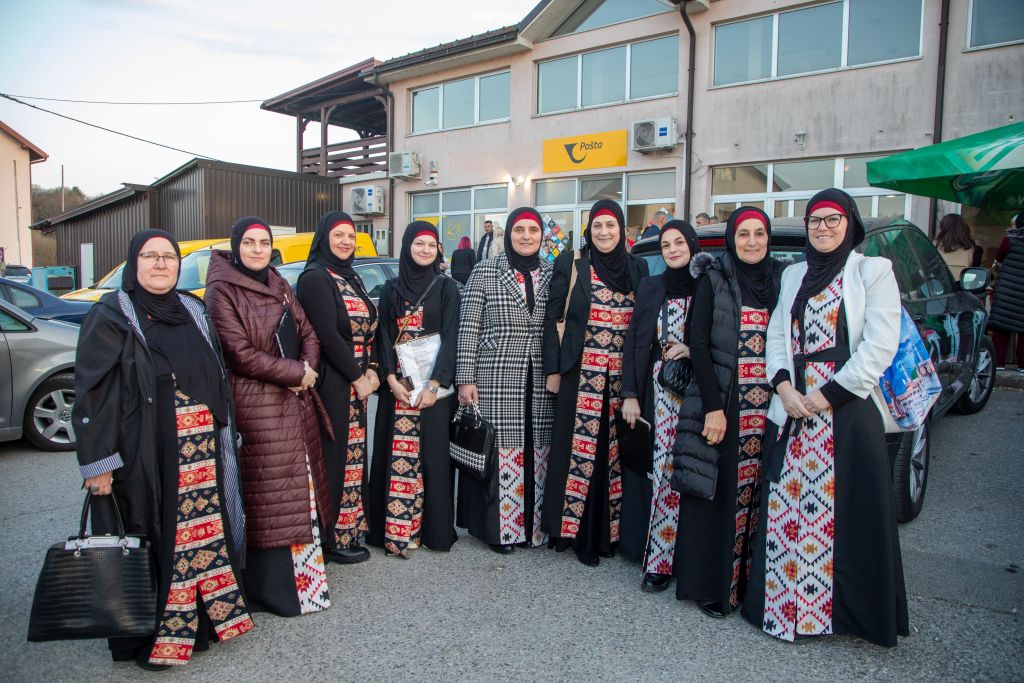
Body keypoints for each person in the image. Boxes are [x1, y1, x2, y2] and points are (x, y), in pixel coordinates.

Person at [75, 229, 254, 670]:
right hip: (147, 455)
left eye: (169, 257)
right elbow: (94, 393)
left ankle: (202, 625)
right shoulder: (112, 314)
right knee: (157, 535)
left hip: (203, 455)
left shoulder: (192, 309)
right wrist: (98, 463)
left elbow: (216, 372)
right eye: (149, 256)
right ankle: (157, 636)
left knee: (204, 537)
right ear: (133, 263)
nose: (160, 264)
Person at [742, 188, 909, 647]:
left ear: (850, 224)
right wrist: (783, 386)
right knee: (786, 507)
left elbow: (879, 347)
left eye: (833, 219)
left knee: (847, 515)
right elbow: (778, 336)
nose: (823, 228)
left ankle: (837, 616)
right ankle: (783, 609)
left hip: (845, 409)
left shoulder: (872, 271)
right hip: (792, 405)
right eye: (815, 220)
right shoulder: (794, 274)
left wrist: (821, 398)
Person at [206, 217, 333, 617]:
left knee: (300, 491)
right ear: (235, 246)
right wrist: (296, 373)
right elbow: (239, 353)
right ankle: (276, 592)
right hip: (256, 405)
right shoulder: (221, 290)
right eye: (249, 242)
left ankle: (308, 586)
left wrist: (307, 370)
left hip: (296, 398)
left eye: (263, 243)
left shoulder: (277, 281)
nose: (257, 250)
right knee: (269, 496)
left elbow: (308, 332)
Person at [670, 207, 782, 619]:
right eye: (743, 234)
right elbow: (698, 344)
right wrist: (714, 408)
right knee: (717, 496)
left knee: (757, 497)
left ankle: (750, 586)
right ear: (732, 239)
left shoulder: (780, 279)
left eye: (759, 233)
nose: (751, 241)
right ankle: (713, 587)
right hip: (726, 402)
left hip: (769, 407)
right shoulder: (714, 278)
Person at [541, 199, 649, 566]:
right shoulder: (572, 264)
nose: (604, 232)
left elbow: (644, 324)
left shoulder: (637, 268)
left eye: (611, 225)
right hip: (580, 374)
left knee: (612, 453)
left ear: (623, 230)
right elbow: (553, 318)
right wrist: (553, 371)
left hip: (622, 379)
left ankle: (610, 534)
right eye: (597, 226)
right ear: (589, 230)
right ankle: (575, 534)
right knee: (577, 453)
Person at [456, 207, 556, 553]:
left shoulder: (552, 272)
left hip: (540, 375)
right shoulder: (486, 270)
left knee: (536, 448)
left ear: (542, 235)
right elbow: (468, 326)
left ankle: (532, 528)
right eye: (519, 230)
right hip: (496, 373)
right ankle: (501, 532)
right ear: (508, 234)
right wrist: (465, 377)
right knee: (500, 450)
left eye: (533, 230)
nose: (526, 236)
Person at [367, 222, 460, 557]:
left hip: (432, 388)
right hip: (399, 387)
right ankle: (395, 530)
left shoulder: (447, 288)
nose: (425, 250)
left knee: (431, 458)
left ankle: (428, 530)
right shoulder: (391, 288)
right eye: (419, 243)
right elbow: (382, 337)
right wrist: (390, 379)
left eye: (431, 245)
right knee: (395, 455)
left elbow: (452, 337)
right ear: (407, 246)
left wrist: (435, 385)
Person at [619, 220, 702, 592]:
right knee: (664, 471)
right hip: (662, 390)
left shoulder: (709, 284)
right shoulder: (652, 287)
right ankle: (660, 561)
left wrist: (693, 350)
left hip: (703, 390)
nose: (672, 250)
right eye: (666, 245)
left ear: (692, 245)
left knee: (698, 470)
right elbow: (635, 342)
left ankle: (694, 562)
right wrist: (631, 394)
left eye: (679, 242)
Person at [297, 211, 380, 564]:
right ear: (324, 238)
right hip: (334, 380)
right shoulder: (315, 277)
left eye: (351, 236)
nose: (346, 242)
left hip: (357, 380)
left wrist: (373, 369)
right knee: (334, 457)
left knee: (354, 456)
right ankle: (330, 537)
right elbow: (327, 335)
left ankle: (348, 528)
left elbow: (371, 328)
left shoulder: (351, 275)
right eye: (338, 235)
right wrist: (357, 377)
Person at [990, 213, 1024, 371]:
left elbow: (999, 259)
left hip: (1006, 290)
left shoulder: (1009, 241)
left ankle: (998, 364)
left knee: (1001, 327)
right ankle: (1022, 366)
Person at [933, 213, 980, 279]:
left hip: (940, 283)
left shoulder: (935, 245)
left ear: (943, 227)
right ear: (962, 227)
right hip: (962, 283)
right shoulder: (970, 246)